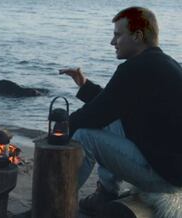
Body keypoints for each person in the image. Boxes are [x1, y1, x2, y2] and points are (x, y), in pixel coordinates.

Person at [60, 6, 182, 216]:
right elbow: (113, 104)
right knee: (110, 121)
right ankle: (106, 194)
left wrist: (58, 130)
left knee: (83, 136)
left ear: (137, 36)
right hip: (172, 169)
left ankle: (57, 204)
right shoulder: (164, 64)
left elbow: (93, 115)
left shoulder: (135, 68)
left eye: (118, 35)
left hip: (164, 177)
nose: (112, 42)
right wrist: (85, 85)